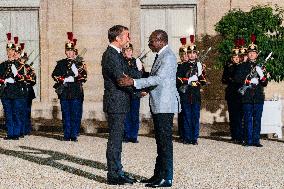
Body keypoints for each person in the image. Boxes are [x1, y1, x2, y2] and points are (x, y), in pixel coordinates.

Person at [118, 29, 180, 188]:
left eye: (151, 41)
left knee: (165, 142)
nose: (149, 44)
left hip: (164, 105)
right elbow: (160, 81)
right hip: (159, 103)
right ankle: (158, 175)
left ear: (161, 40)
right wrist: (145, 89)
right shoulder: (161, 56)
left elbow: (159, 79)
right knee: (160, 142)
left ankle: (167, 177)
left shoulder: (168, 57)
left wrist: (134, 82)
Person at [101, 25, 137, 185]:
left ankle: (118, 171)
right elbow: (121, 78)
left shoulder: (117, 54)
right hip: (116, 102)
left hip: (120, 102)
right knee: (115, 139)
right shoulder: (111, 55)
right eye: (127, 36)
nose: (129, 39)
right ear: (118, 38)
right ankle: (114, 174)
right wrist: (137, 92)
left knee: (118, 138)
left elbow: (128, 74)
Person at [52, 32, 87, 142]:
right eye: (68, 51)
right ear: (65, 52)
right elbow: (54, 75)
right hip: (64, 92)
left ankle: (74, 134)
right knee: (66, 114)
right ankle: (67, 135)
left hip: (76, 92)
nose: (69, 53)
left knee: (75, 114)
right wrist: (63, 79)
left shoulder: (80, 63)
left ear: (74, 52)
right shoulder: (61, 63)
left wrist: (75, 77)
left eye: (71, 51)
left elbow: (84, 78)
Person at [234, 34, 268, 147]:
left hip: (258, 96)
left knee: (257, 120)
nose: (252, 54)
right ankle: (247, 140)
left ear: (257, 54)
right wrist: (247, 81)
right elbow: (237, 79)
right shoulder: (242, 66)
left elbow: (265, 82)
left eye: (254, 52)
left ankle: (256, 140)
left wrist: (261, 76)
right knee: (247, 119)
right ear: (247, 54)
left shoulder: (261, 67)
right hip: (247, 96)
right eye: (250, 52)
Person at [176, 35, 206, 145]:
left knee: (195, 116)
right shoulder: (183, 66)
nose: (192, 55)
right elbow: (178, 79)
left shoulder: (199, 65)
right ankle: (187, 137)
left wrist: (201, 72)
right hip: (186, 94)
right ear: (187, 55)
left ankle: (194, 138)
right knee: (187, 116)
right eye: (190, 53)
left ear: (196, 54)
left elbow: (203, 82)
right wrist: (188, 80)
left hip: (196, 94)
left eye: (194, 53)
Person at [0, 34, 27, 140]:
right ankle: (10, 133)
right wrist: (4, 80)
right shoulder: (2, 65)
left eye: (12, 51)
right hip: (5, 92)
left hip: (16, 92)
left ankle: (16, 133)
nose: (10, 53)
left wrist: (16, 77)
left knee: (16, 113)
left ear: (15, 52)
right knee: (8, 114)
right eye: (8, 50)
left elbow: (23, 78)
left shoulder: (19, 65)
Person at [122, 43, 143, 143]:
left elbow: (139, 75)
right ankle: (126, 135)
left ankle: (134, 136)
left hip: (135, 91)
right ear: (124, 52)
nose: (128, 52)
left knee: (134, 114)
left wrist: (129, 74)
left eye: (130, 50)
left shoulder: (137, 61)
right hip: (125, 91)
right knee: (126, 114)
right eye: (126, 50)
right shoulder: (121, 62)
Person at [221, 45, 243, 144]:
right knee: (233, 116)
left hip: (241, 94)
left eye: (238, 57)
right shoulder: (228, 67)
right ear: (232, 58)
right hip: (231, 94)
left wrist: (234, 79)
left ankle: (240, 136)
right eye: (234, 57)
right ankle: (234, 136)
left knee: (240, 116)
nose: (236, 59)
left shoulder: (242, 67)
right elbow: (224, 79)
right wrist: (231, 79)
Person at [177, 37, 188, 142]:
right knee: (182, 113)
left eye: (186, 54)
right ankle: (182, 132)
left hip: (190, 92)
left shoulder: (191, 65)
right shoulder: (178, 66)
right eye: (183, 55)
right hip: (181, 91)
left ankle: (187, 134)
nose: (185, 56)